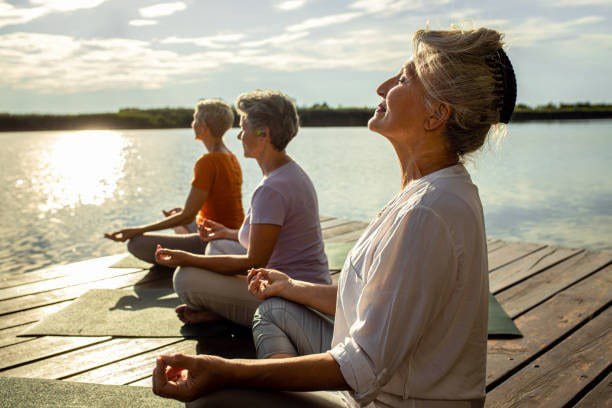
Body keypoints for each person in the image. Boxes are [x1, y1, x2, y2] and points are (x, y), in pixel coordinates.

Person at [151, 27, 517, 407]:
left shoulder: (428, 212)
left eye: (405, 78)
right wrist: (290, 286)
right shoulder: (429, 192)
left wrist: (224, 370)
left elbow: (362, 367)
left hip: (387, 401)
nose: (382, 87)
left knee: (211, 402)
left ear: (437, 114)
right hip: (379, 387)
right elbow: (370, 301)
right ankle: (284, 379)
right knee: (274, 308)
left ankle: (280, 384)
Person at [154, 90, 331, 327]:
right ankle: (222, 310)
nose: (239, 136)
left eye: (243, 127)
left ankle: (227, 311)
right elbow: (269, 240)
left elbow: (252, 261)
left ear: (263, 134)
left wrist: (187, 258)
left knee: (184, 277)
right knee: (218, 245)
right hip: (286, 281)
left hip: (293, 300)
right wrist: (226, 232)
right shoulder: (288, 174)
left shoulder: (273, 189)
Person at [104, 99, 244, 264]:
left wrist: (138, 230)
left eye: (195, 119)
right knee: (177, 218)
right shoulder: (230, 157)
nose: (192, 124)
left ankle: (193, 260)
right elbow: (199, 211)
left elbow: (186, 217)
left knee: (136, 243)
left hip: (215, 240)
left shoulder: (208, 162)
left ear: (203, 126)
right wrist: (184, 214)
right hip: (233, 233)